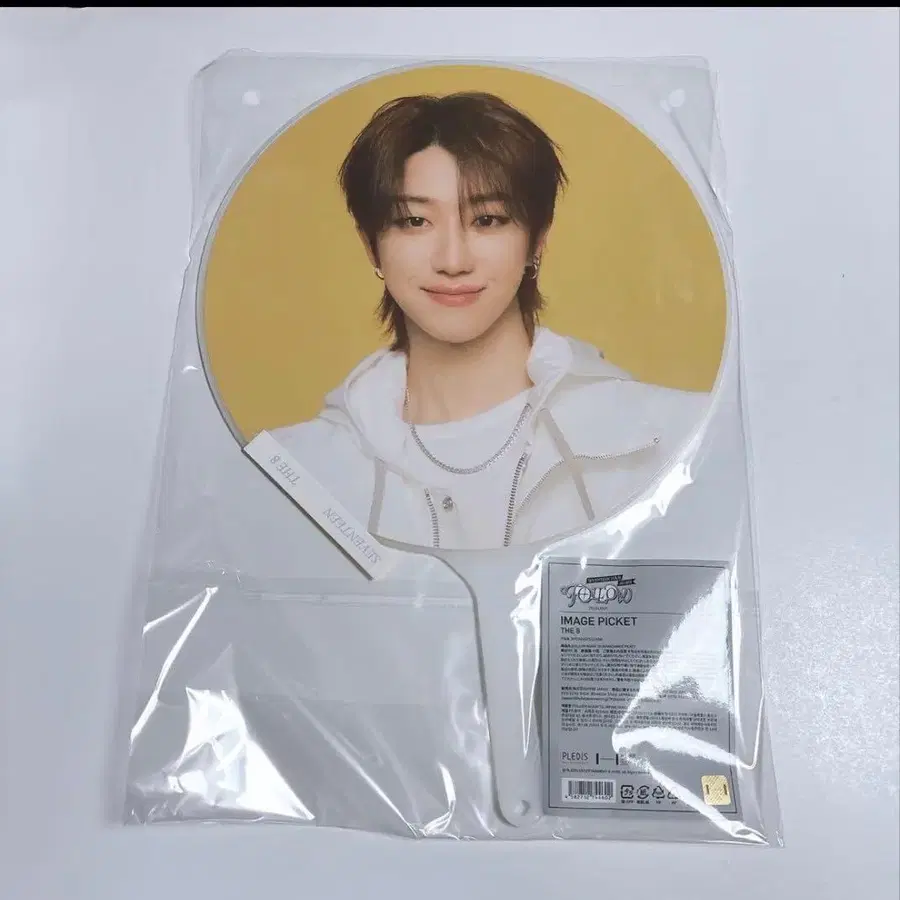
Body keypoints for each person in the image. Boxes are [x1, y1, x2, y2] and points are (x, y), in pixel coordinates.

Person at [270, 91, 711, 551]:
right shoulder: (296, 472)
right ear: (370, 245)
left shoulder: (676, 435)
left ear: (537, 241)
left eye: (487, 220)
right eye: (415, 221)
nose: (453, 260)